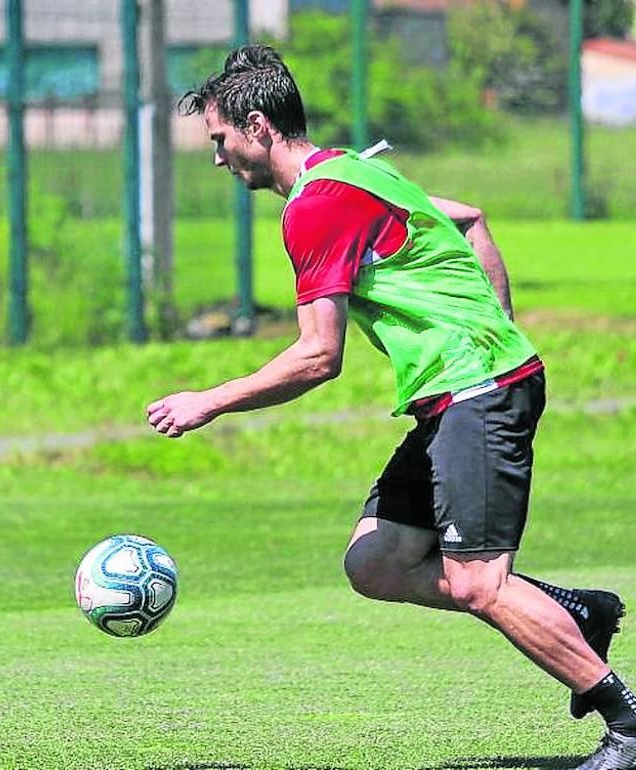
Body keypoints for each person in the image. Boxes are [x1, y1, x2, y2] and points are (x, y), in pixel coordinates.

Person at [148, 44, 633, 770]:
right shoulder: (348, 167)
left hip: (477, 390)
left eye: (220, 139)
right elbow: (469, 220)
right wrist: (492, 335)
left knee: (476, 582)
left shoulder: (315, 206)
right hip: (464, 390)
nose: (218, 158)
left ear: (257, 125)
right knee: (375, 560)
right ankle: (574, 613)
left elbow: (319, 356)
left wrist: (209, 402)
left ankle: (624, 721)